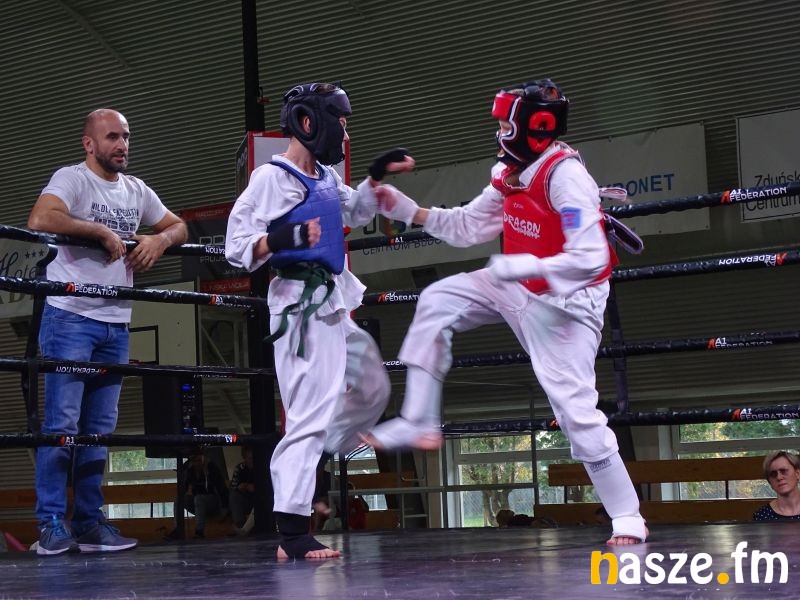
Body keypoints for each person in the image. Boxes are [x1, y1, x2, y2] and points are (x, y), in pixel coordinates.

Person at [364, 79, 647, 545]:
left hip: (566, 307)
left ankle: (626, 515)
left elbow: (591, 259)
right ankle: (419, 419)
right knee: (437, 299)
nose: (499, 133)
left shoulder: (566, 178)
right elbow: (468, 227)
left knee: (576, 413)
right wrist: (413, 212)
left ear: (534, 127)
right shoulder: (509, 171)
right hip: (516, 284)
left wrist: (526, 265)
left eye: (505, 125)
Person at [225, 82, 413, 559]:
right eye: (341, 124)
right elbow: (235, 247)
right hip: (298, 308)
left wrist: (375, 177)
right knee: (307, 414)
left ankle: (318, 448)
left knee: (372, 385)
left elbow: (356, 210)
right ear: (309, 123)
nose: (345, 135)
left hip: (332, 299)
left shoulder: (326, 175)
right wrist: (281, 238)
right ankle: (292, 532)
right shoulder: (270, 179)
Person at [27, 108, 188, 556]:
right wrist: (97, 229)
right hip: (70, 317)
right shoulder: (73, 179)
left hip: (116, 322)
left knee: (99, 430)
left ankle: (89, 523)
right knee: (62, 425)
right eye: (112, 136)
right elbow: (40, 218)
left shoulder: (136, 190)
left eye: (126, 137)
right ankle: (50, 525)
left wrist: (159, 240)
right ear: (89, 143)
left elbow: (178, 225)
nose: (122, 145)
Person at [169, 448, 229, 539]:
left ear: (202, 458)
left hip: (213, 501)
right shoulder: (189, 468)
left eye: (198, 460)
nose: (196, 463)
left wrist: (224, 509)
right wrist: (183, 476)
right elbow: (183, 490)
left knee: (199, 498)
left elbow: (222, 488)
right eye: (194, 461)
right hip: (198, 503)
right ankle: (178, 530)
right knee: (179, 500)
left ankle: (199, 532)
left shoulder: (211, 467)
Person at [753, 450, 800, 521]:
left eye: (784, 471)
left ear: (797, 474)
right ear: (769, 482)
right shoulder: (761, 516)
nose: (779, 477)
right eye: (773, 474)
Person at [229, 445, 256, 531]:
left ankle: (245, 530)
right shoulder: (239, 468)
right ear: (244, 458)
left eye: (254, 458)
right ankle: (239, 525)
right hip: (245, 500)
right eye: (250, 458)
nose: (252, 461)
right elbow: (234, 486)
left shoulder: (261, 468)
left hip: (259, 499)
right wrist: (244, 486)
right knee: (234, 496)